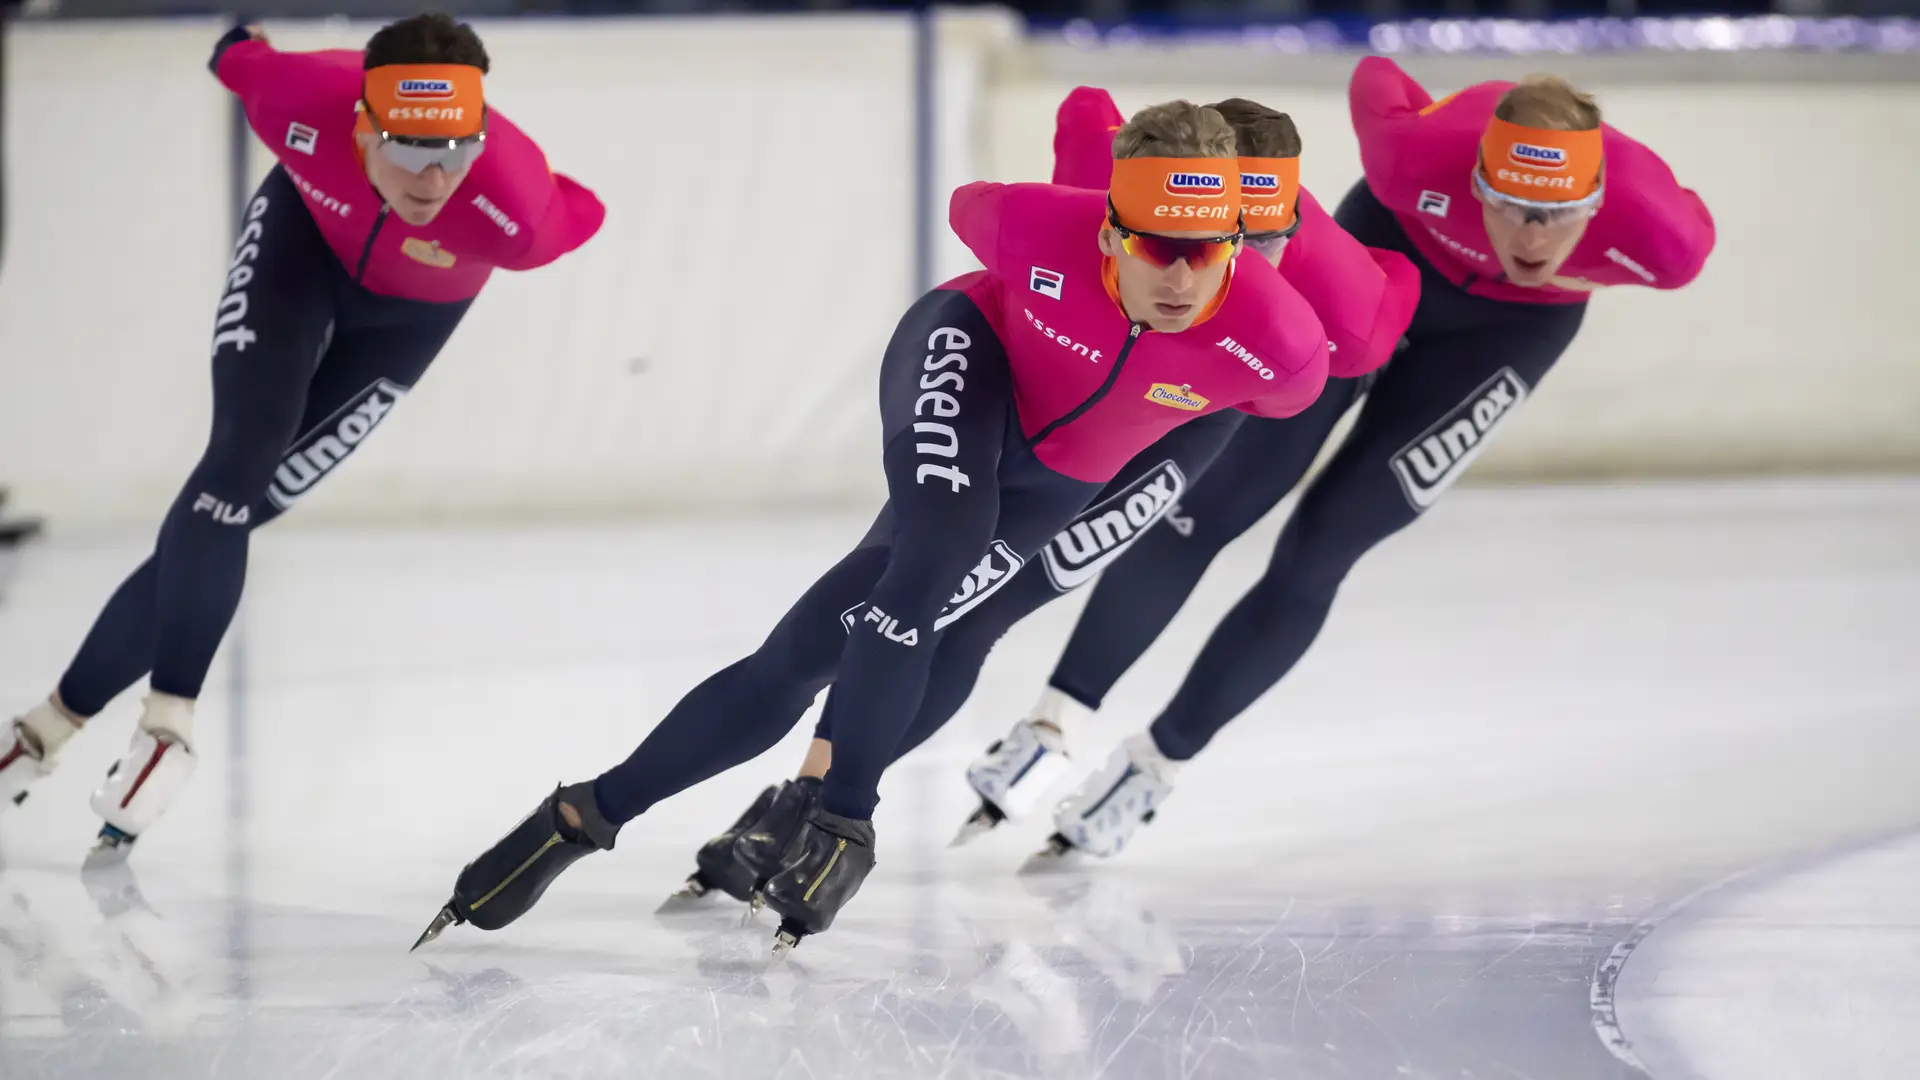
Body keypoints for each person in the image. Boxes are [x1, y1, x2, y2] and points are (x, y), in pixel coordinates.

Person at [421, 100, 1335, 955]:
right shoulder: (1035, 224)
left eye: (1211, 252)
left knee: (850, 640)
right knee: (936, 551)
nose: (1180, 277)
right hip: (969, 362)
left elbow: (1353, 327)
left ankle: (588, 814)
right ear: (1108, 226)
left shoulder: (1282, 349)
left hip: (1066, 479)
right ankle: (842, 820)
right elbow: (990, 192)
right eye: (1157, 247)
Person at [657, 88, 1423, 907]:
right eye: (1183, 239)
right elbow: (1071, 156)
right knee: (922, 598)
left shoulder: (1309, 279)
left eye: (1267, 241)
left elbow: (1380, 316)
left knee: (979, 615)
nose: (1229, 266)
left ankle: (813, 804)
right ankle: (803, 800)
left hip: (1183, 427)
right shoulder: (1121, 198)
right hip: (1052, 409)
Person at [966, 58, 1719, 865]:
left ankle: (1155, 767)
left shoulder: (1664, 239)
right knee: (1203, 506)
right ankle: (1051, 723)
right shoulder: (1412, 153)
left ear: (1600, 204)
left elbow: (1684, 223)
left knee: (1325, 547)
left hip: (1508, 338)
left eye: (1557, 214)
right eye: (1506, 204)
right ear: (1473, 178)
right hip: (1372, 273)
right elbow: (1376, 77)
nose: (1530, 237)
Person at [0, 13, 605, 863]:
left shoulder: (515, 210)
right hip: (296, 254)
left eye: (457, 151)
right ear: (362, 125)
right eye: (410, 150)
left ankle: (44, 727)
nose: (435, 182)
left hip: (408, 324)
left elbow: (585, 209)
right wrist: (237, 41)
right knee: (238, 461)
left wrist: (506, 172)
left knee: (246, 504)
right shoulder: (298, 99)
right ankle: (167, 724)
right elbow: (237, 55)